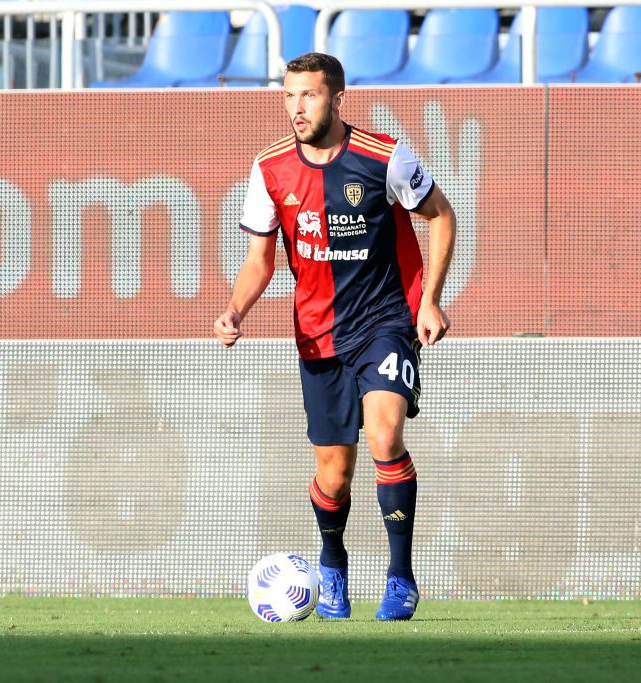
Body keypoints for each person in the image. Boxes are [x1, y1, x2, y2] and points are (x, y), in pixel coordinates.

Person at [213, 52, 456, 621]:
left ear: (337, 99)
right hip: (317, 335)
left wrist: (429, 300)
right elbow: (259, 258)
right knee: (334, 472)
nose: (297, 108)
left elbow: (442, 216)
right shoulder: (269, 168)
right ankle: (332, 562)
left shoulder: (384, 156)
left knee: (384, 435)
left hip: (386, 321)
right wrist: (234, 310)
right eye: (289, 96)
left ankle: (400, 578)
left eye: (309, 96)